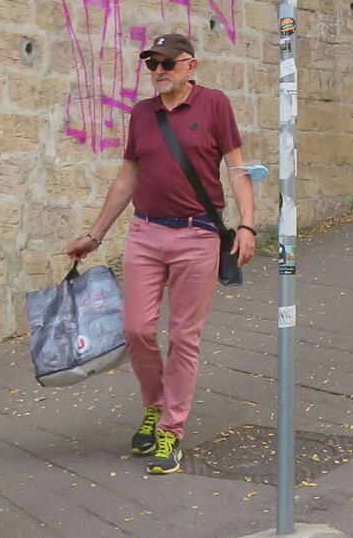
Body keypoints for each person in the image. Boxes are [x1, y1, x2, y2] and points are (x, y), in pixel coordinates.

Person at [64, 32, 257, 475]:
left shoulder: (214, 105)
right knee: (136, 329)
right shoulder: (142, 114)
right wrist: (95, 234)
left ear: (191, 66)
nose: (158, 71)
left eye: (167, 63)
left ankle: (171, 428)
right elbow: (126, 179)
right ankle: (155, 405)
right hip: (146, 233)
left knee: (184, 337)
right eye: (152, 64)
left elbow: (237, 170)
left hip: (197, 234)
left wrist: (247, 224)